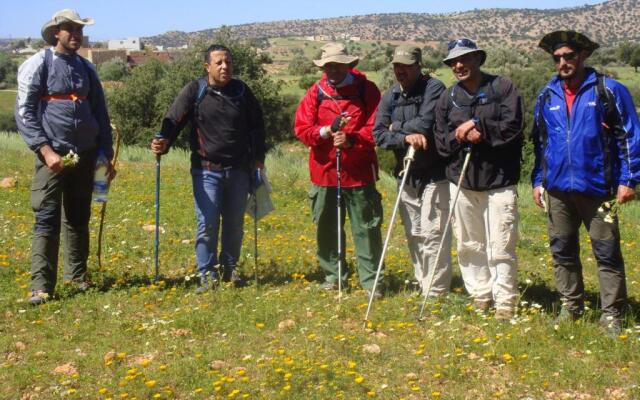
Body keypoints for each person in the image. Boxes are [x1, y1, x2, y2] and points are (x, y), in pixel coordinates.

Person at [531, 31, 640, 334]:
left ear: (583, 56)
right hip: (558, 191)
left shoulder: (609, 90)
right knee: (562, 250)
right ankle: (571, 306)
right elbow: (541, 143)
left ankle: (613, 315)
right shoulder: (547, 94)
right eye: (557, 58)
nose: (563, 62)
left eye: (569, 56)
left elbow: (630, 136)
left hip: (599, 189)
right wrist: (538, 181)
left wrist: (629, 180)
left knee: (606, 253)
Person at [14, 9, 115, 305]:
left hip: (85, 156)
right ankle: (41, 286)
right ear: (56, 32)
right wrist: (45, 151)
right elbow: (24, 113)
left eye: (79, 29)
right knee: (46, 218)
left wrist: (104, 155)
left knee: (78, 217)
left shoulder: (87, 69)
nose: (76, 34)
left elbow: (100, 112)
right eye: (69, 29)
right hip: (52, 157)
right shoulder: (38, 64)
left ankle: (78, 277)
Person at [150, 44, 266, 293]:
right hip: (206, 170)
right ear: (207, 67)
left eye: (228, 62)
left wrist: (258, 160)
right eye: (219, 63)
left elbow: (257, 126)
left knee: (234, 223)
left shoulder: (242, 91)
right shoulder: (196, 90)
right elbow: (175, 118)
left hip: (238, 170)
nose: (225, 67)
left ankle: (229, 269)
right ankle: (207, 274)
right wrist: (163, 141)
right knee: (208, 223)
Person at [434, 38, 524, 320]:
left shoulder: (503, 88)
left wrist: (479, 126)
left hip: (499, 182)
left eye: (465, 59)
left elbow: (514, 126)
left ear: (478, 59)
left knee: (501, 244)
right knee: (468, 244)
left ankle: (505, 302)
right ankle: (480, 295)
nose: (459, 65)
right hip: (462, 181)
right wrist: (460, 134)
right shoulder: (447, 98)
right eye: (453, 62)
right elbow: (441, 142)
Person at [294, 43, 383, 297]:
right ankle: (334, 276)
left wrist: (352, 139)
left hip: (359, 173)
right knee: (327, 227)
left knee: (366, 228)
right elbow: (301, 129)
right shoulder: (315, 92)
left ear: (348, 65)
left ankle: (371, 281)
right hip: (324, 173)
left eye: (337, 65)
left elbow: (376, 128)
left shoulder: (367, 90)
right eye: (327, 66)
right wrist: (326, 132)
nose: (332, 70)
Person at [373, 45, 451, 298]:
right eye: (397, 66)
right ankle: (422, 281)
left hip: (434, 173)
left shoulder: (434, 88)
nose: (400, 71)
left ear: (418, 66)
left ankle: (436, 291)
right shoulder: (391, 95)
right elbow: (378, 135)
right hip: (405, 173)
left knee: (433, 233)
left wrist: (396, 127)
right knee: (414, 233)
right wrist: (405, 138)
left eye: (406, 66)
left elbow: (426, 125)